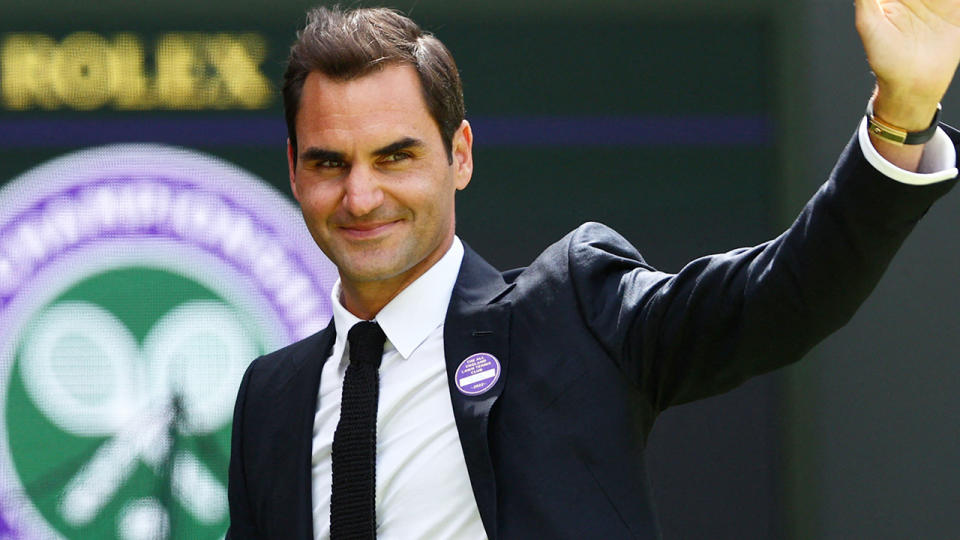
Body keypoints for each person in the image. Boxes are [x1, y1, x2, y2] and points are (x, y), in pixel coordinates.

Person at [227, 3, 960, 539]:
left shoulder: (570, 311)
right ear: (294, 172)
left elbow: (782, 296)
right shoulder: (273, 397)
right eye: (330, 163)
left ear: (460, 155)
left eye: (396, 156)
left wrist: (901, 115)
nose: (361, 196)